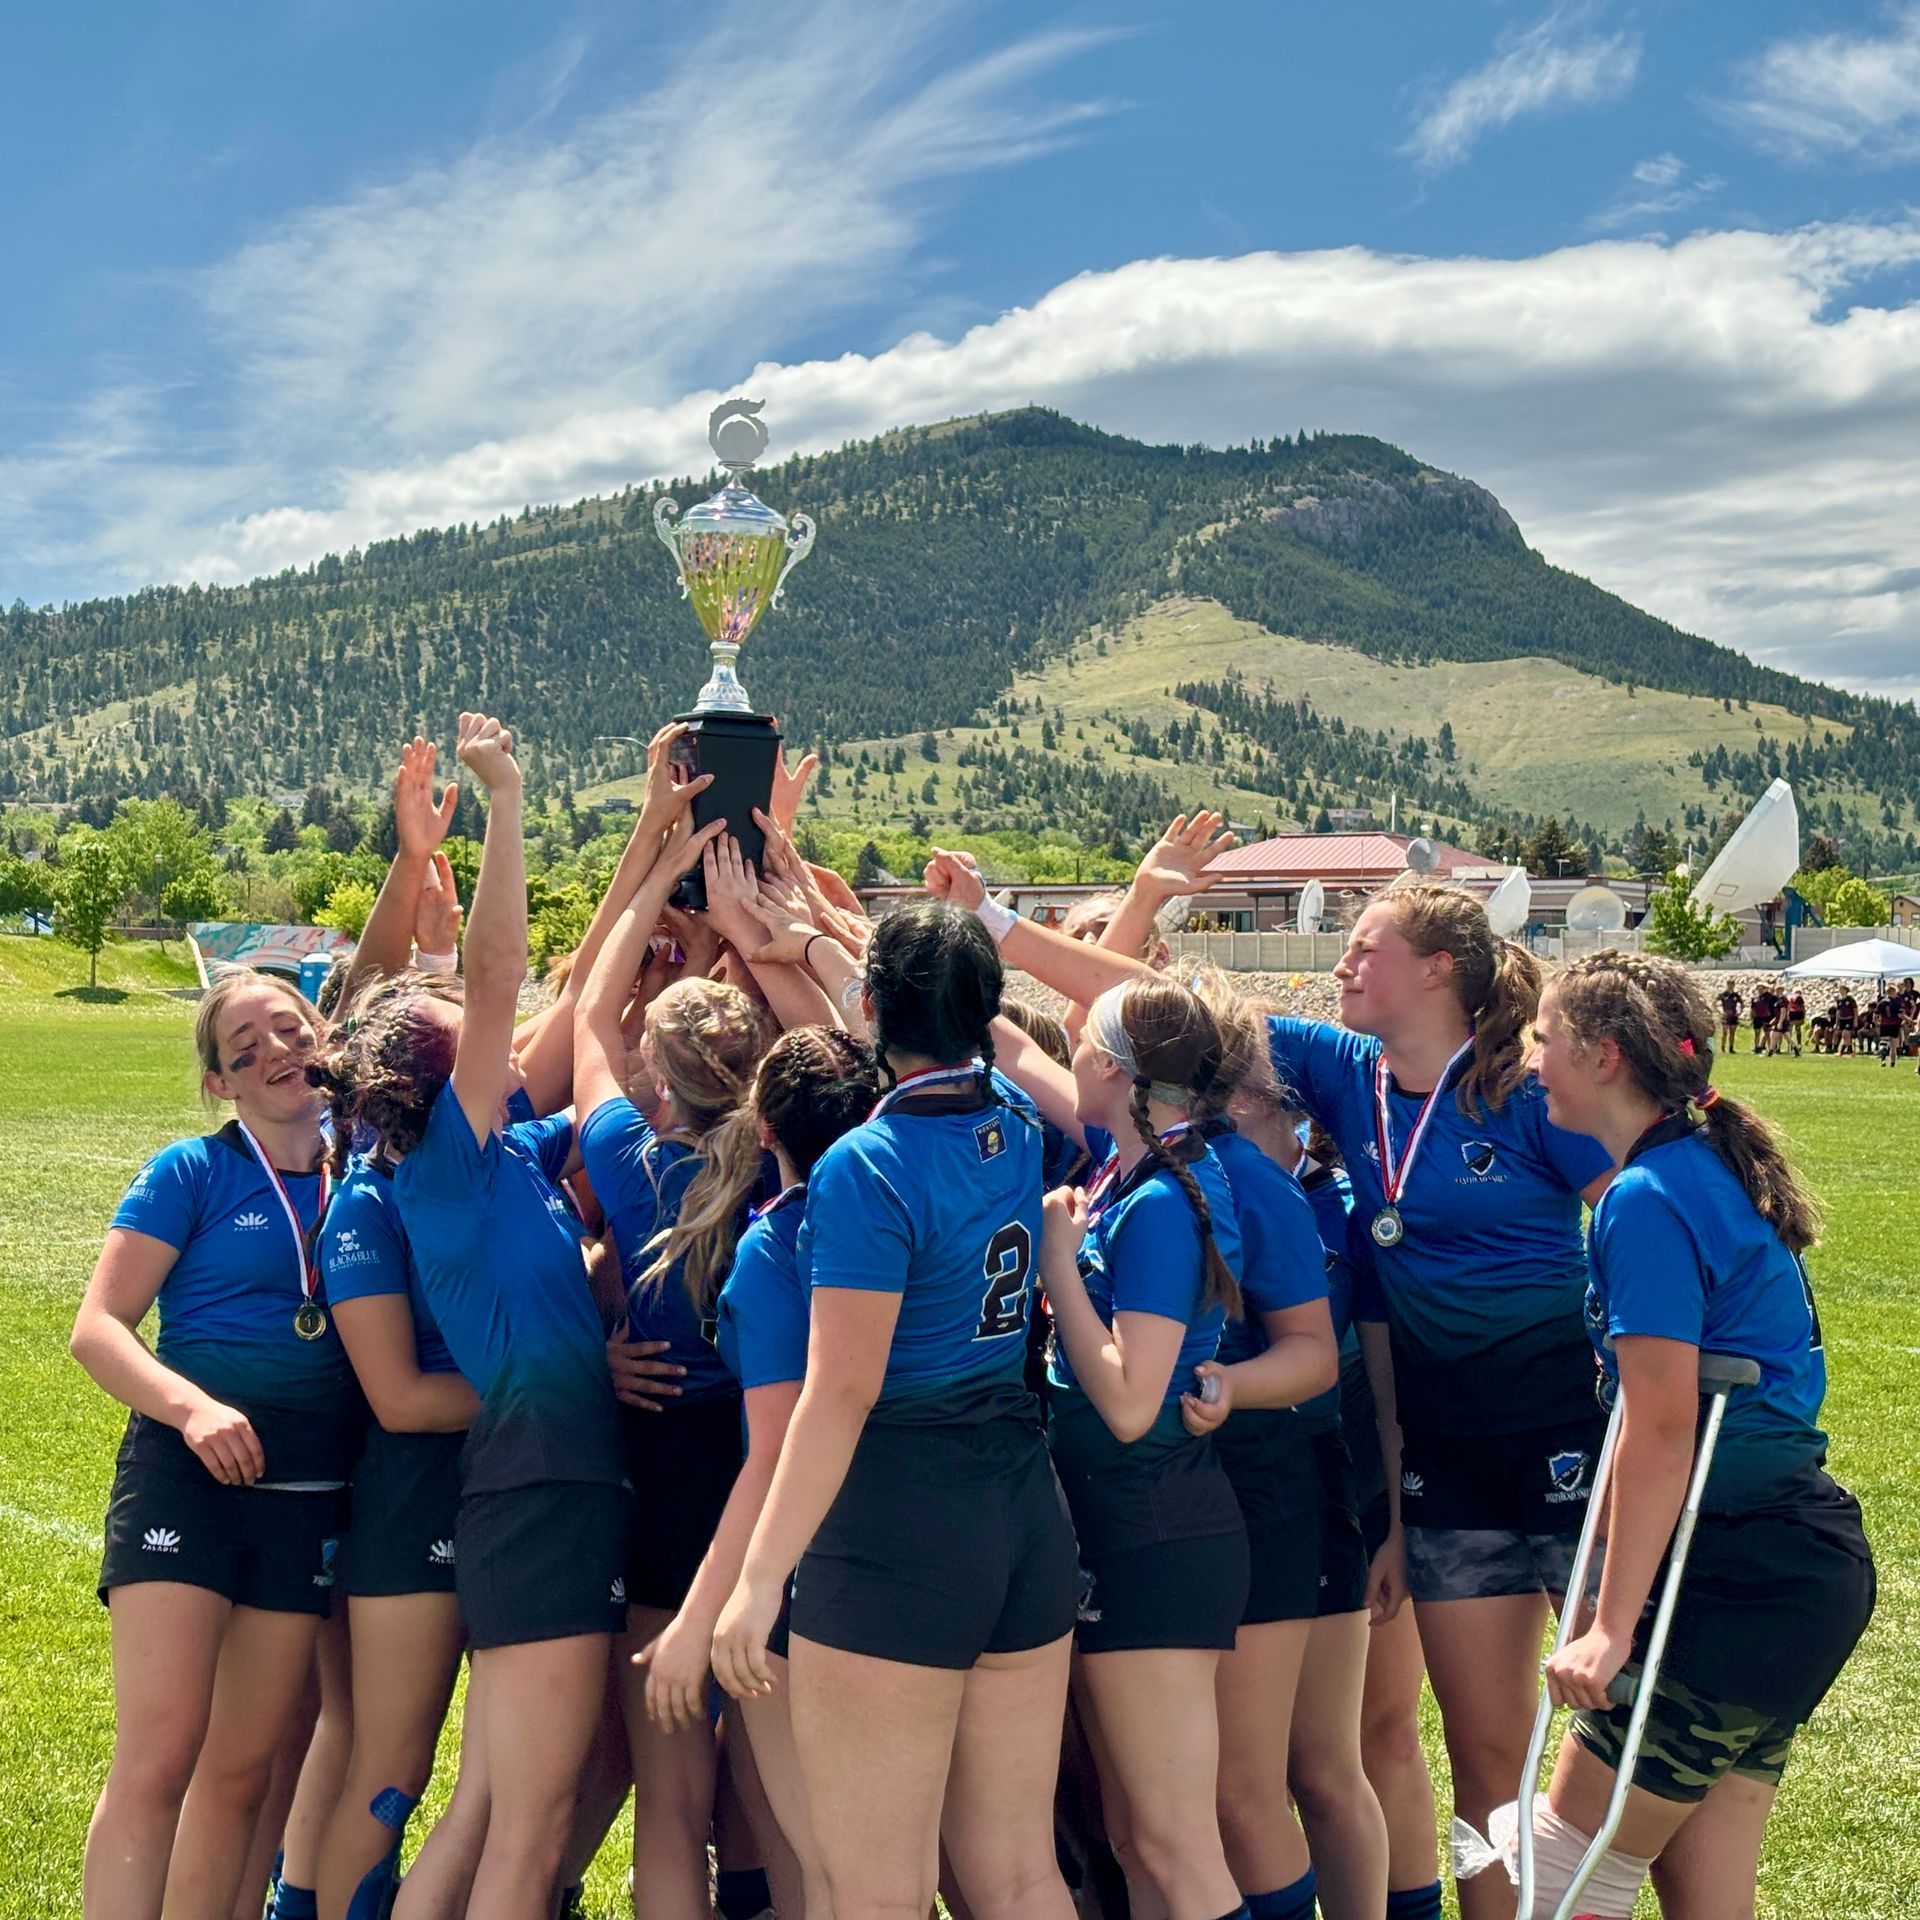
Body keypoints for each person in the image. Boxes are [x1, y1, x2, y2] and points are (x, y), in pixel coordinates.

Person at [710, 899, 1081, 1920]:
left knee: (874, 1888)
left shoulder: (863, 1164)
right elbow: (960, 1044)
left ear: (872, 1007)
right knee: (1018, 1873)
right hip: (1018, 1504)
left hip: (898, 1524)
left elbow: (842, 1390)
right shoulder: (1013, 1114)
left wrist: (757, 1582)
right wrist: (825, 945)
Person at [1265, 884, 1613, 1920]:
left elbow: (1647, 1209)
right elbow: (1154, 1007)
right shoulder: (1343, 1070)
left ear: (1438, 970)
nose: (1340, 965)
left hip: (1573, 1446)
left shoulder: (1524, 1092)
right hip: (1446, 1464)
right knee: (1483, 1755)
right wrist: (1000, 933)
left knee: (1632, 1730)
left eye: (1365, 947)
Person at [1525, 951, 1875, 1918]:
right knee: (1705, 1891)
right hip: (1793, 1568)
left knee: (1567, 1871)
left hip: (1736, 1579)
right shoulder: (1695, 1165)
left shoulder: (1643, 1198)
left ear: (1603, 1058)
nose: (1531, 1062)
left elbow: (1663, 1423)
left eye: (1543, 1041)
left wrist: (1604, 1628)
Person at [386, 711, 633, 1918]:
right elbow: (498, 981)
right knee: (528, 1835)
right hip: (535, 1497)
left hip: (550, 1484)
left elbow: (574, 1000)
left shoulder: (505, 1160)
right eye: (460, 1028)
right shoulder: (440, 1161)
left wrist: (651, 832)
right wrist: (507, 802)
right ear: (430, 1076)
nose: (490, 1021)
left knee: (495, 1814)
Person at [71, 973, 360, 1920]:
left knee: (241, 1774)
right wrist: (191, 1408)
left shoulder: (368, 1170)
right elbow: (100, 1328)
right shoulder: (189, 1172)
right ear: (220, 1085)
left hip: (307, 1484)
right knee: (160, 1756)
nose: (276, 1050)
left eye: (291, 1028)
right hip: (187, 1475)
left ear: (326, 1037)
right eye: (246, 1048)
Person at [574, 804, 773, 1920]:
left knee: (669, 1793)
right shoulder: (785, 1165)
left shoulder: (628, 1155)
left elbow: (592, 1009)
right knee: (770, 1778)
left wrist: (656, 867)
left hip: (666, 1474)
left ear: (660, 1066)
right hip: (762, 1468)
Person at [640, 1026, 881, 1920]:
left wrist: (699, 1618)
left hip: (817, 1564)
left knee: (829, 1864)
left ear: (764, 1130)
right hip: (930, 1539)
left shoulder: (778, 1246)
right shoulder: (917, 1203)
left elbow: (775, 1449)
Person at [1037, 976, 1255, 1920]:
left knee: (1173, 1844)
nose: (1073, 1058)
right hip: (1123, 1527)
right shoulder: (1127, 1174)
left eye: (1085, 1042)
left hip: (1157, 1532)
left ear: (1121, 1072)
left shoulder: (1164, 1203)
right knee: (1135, 1839)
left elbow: (1131, 1400)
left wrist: (1056, 1265)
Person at [1173, 971, 1379, 1920]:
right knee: (1271, 1778)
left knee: (1290, 1777)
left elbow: (1324, 1364)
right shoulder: (1199, 1164)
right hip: (1267, 1479)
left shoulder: (1262, 1187)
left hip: (1289, 1480)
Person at [1714, 986, 1742, 1055]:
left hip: (1733, 1016)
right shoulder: (1723, 994)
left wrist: (1739, 1012)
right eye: (1729, 984)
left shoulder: (1736, 995)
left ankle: (1731, 1048)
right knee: (1724, 1033)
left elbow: (1741, 1003)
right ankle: (1723, 1047)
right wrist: (1720, 1012)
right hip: (1725, 1016)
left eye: (1732, 984)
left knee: (1732, 1033)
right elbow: (1714, 1003)